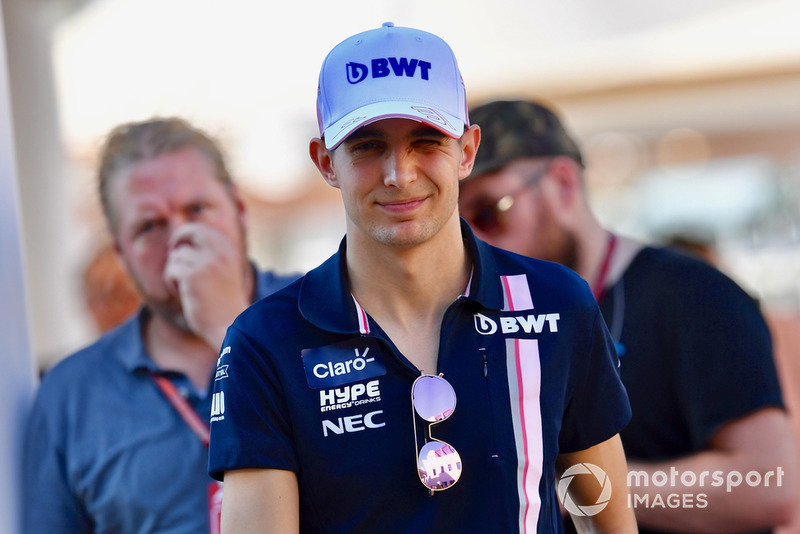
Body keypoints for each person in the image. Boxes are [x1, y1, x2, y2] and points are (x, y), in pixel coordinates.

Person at [208, 22, 637, 533]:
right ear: (326, 161)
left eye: (425, 140)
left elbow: (606, 520)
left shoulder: (557, 303)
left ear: (467, 151)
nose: (399, 173)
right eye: (367, 146)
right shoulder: (265, 342)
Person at [458, 99, 798, 533]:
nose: (478, 244)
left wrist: (574, 485)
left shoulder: (692, 295)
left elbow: (769, 485)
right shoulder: (490, 319)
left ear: (563, 184)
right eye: (461, 228)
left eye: (490, 212)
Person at [22, 117, 299, 533]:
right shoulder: (70, 394)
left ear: (240, 212)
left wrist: (232, 328)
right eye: (150, 226)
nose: (181, 239)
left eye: (198, 210)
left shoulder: (329, 313)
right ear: (121, 251)